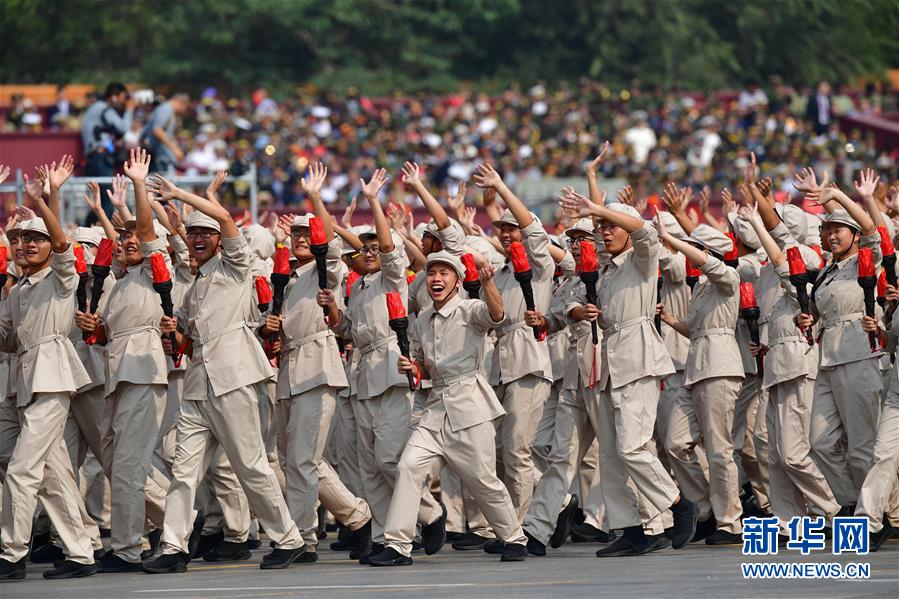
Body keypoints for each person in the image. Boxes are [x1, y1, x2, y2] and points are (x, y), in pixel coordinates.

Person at [141, 174, 306, 574]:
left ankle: (288, 538)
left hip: (233, 376)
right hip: (199, 384)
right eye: (192, 233)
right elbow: (184, 337)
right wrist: (173, 334)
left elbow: (228, 221)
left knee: (249, 464)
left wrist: (180, 194)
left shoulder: (236, 265)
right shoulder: (193, 285)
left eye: (205, 233)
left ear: (218, 239)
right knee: (184, 471)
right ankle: (174, 547)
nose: (197, 238)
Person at [559, 183, 699, 558]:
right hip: (607, 361)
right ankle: (634, 528)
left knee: (633, 447)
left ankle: (678, 504)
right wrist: (580, 312)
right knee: (611, 454)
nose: (605, 232)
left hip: (637, 357)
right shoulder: (602, 269)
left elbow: (643, 231)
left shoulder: (642, 258)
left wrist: (599, 208)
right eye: (601, 227)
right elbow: (567, 304)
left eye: (610, 226)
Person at [368, 251, 528, 565]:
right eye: (432, 273)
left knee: (482, 479)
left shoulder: (470, 309)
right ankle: (398, 545)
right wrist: (413, 369)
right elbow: (425, 369)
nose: (436, 279)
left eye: (444, 273)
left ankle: (514, 538)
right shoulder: (422, 321)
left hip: (470, 404)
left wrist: (488, 284)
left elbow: (497, 315)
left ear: (456, 282)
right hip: (435, 407)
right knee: (407, 466)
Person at [330, 169, 444, 563]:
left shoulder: (393, 279)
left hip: (391, 372)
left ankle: (428, 513)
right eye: (363, 249)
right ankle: (384, 533)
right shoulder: (358, 287)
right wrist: (332, 313)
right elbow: (347, 328)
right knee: (367, 466)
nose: (368, 252)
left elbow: (391, 252)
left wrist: (374, 202)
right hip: (361, 375)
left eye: (374, 247)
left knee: (390, 459)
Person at [261, 163, 372, 560]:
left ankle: (301, 538)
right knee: (295, 459)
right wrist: (271, 325)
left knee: (303, 460)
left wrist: (314, 198)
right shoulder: (287, 278)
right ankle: (357, 517)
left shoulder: (327, 268)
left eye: (309, 234)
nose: (302, 239)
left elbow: (334, 245)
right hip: (291, 367)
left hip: (320, 364)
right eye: (296, 234)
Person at [74, 148, 171, 572]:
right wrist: (92, 326)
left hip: (142, 372)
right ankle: (176, 525)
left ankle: (128, 548)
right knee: (116, 463)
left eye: (135, 236)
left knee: (129, 465)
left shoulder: (153, 270)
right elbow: (104, 335)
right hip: (117, 376)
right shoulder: (117, 282)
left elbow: (146, 230)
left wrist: (135, 185)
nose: (129, 239)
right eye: (123, 236)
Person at [0, 162, 97, 580]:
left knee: (23, 470)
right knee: (50, 474)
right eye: (22, 240)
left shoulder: (61, 278)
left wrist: (44, 199)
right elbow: (5, 338)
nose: (27, 246)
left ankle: (11, 553)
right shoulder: (18, 288)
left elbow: (61, 246)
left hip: (52, 376)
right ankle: (80, 551)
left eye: (34, 240)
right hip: (25, 379)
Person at [657, 218, 746, 545]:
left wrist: (670, 238)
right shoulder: (704, 289)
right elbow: (694, 328)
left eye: (698, 250)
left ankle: (730, 522)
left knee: (719, 448)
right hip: (697, 366)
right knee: (675, 443)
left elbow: (710, 265)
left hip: (719, 367)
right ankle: (705, 507)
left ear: (709, 252)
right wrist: (670, 320)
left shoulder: (727, 278)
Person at [800, 183, 883, 514]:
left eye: (839, 230)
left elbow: (871, 229)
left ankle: (872, 514)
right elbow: (821, 310)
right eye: (828, 230)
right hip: (829, 356)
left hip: (859, 352)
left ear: (853, 235)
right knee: (819, 441)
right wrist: (807, 318)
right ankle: (851, 500)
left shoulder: (865, 259)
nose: (832, 236)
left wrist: (836, 197)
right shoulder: (825, 271)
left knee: (862, 443)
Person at [80, 82, 133, 222]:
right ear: (114, 97)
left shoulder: (95, 108)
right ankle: (107, 234)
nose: (124, 101)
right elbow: (122, 127)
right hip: (100, 158)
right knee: (109, 198)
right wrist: (129, 110)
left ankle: (89, 230)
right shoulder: (104, 109)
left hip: (94, 158)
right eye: (123, 97)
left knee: (100, 200)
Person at [143, 93, 190, 174]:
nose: (184, 110)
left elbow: (144, 133)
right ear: (182, 103)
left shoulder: (162, 109)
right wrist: (175, 149)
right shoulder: (166, 109)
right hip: (162, 159)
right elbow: (157, 130)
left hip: (159, 157)